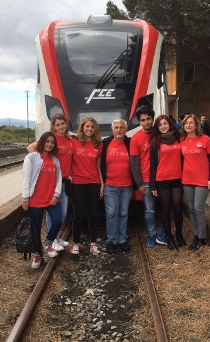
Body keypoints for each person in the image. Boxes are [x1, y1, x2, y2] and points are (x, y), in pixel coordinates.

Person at [27, 113, 72, 251]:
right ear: (54, 126)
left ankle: (55, 238)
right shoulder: (51, 138)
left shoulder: (69, 139)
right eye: (57, 124)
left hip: (64, 181)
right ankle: (51, 242)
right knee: (52, 213)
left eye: (63, 124)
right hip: (52, 181)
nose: (61, 126)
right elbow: (30, 148)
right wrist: (37, 167)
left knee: (62, 213)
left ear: (66, 124)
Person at [22, 132, 62, 269]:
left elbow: (59, 179)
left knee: (58, 220)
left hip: (51, 198)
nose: (49, 144)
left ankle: (48, 244)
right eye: (47, 141)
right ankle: (38, 255)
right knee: (36, 229)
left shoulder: (55, 160)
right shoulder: (31, 158)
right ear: (42, 142)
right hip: (35, 199)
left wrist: (56, 195)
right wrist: (25, 198)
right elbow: (26, 179)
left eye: (52, 142)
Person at [130, 106, 167, 247]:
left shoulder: (160, 134)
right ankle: (151, 235)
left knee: (166, 208)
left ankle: (163, 234)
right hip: (145, 180)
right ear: (139, 122)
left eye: (148, 119)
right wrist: (139, 183)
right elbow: (134, 162)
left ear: (153, 119)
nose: (146, 122)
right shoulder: (136, 138)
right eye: (143, 120)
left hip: (163, 178)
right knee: (150, 210)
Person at [150, 115, 185, 250]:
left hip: (177, 178)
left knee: (177, 209)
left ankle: (179, 235)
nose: (163, 126)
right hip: (162, 180)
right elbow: (152, 165)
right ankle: (168, 238)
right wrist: (153, 184)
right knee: (165, 210)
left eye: (165, 124)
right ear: (157, 128)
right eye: (160, 125)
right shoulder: (155, 142)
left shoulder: (178, 139)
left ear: (170, 124)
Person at [180, 114, 210, 250]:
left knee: (198, 208)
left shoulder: (205, 139)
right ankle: (196, 236)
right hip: (187, 179)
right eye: (186, 123)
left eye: (191, 123)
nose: (188, 125)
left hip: (202, 179)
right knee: (191, 209)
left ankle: (202, 238)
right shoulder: (182, 140)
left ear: (196, 125)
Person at [70, 117, 104, 255]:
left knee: (92, 215)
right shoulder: (74, 142)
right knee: (78, 215)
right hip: (77, 183)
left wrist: (102, 184)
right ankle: (76, 243)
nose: (90, 129)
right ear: (82, 127)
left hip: (93, 182)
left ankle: (93, 244)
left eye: (92, 127)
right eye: (87, 126)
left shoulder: (98, 144)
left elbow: (98, 167)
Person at [101, 119, 133, 254]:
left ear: (126, 130)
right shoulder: (106, 143)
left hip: (127, 185)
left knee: (123, 213)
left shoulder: (130, 143)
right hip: (110, 185)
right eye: (116, 128)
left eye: (121, 127)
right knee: (112, 213)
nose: (119, 130)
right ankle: (112, 240)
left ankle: (122, 240)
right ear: (112, 129)